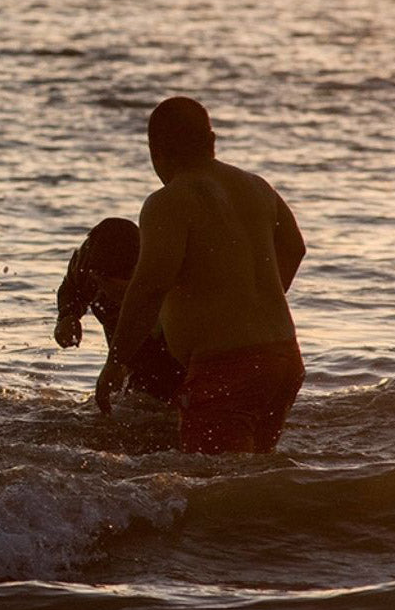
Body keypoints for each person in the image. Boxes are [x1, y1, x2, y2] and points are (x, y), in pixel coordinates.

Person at [95, 97, 306, 453]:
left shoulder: (168, 201)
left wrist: (115, 364)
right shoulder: (256, 186)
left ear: (155, 151)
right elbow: (295, 248)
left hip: (226, 368)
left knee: (213, 490)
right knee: (253, 477)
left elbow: (149, 288)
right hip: (283, 359)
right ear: (211, 141)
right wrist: (247, 304)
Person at [55, 217, 183, 405]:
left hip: (172, 352)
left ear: (138, 273)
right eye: (102, 283)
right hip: (123, 350)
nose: (107, 291)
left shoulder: (164, 277)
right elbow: (72, 287)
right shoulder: (90, 265)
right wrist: (68, 316)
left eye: (119, 287)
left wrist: (115, 363)